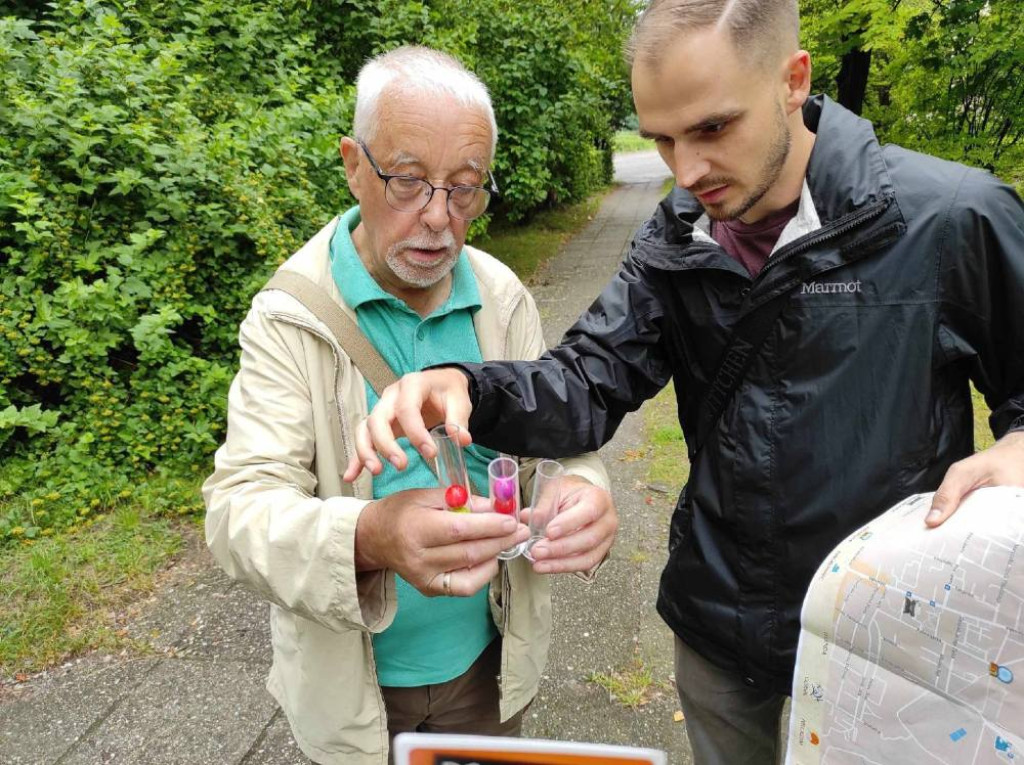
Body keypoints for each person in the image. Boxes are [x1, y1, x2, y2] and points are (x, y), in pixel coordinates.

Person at [346, 4, 1024, 764]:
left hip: (889, 644)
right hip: (719, 633)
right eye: (661, 138)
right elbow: (586, 382)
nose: (686, 171)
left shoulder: (950, 218)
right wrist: (471, 387)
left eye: (711, 128)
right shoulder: (674, 236)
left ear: (792, 80)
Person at [202, 46, 616, 765]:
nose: (437, 219)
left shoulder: (499, 294)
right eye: (408, 181)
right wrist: (372, 534)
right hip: (356, 694)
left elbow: (558, 427)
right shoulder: (288, 316)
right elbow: (238, 511)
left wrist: (585, 484)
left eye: (464, 188)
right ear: (353, 164)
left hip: (489, 668)